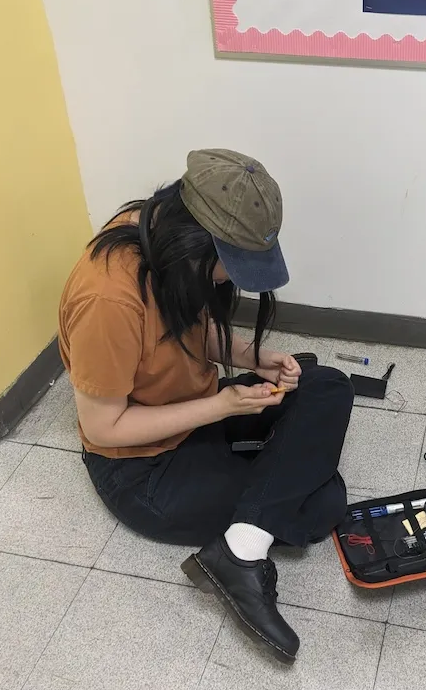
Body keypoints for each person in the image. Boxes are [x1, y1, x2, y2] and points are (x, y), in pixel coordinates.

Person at [58, 149, 353, 664]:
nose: (226, 282)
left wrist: (252, 356)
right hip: (142, 468)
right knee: (320, 502)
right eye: (227, 268)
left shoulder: (161, 236)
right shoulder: (108, 300)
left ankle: (241, 541)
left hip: (196, 408)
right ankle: (245, 544)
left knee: (328, 385)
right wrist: (222, 407)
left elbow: (191, 327)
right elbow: (104, 427)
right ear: (194, 242)